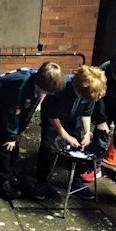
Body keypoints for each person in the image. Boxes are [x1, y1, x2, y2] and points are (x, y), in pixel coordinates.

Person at [0, 62, 65, 200]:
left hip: (10, 114)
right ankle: (2, 183)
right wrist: (10, 136)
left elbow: (25, 111)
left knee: (13, 146)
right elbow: (11, 114)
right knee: (4, 146)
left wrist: (17, 133)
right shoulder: (20, 86)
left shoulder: (35, 85)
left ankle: (10, 173)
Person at [33, 65, 107, 200]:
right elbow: (52, 115)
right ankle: (41, 181)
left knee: (78, 148)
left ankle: (75, 180)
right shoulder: (61, 87)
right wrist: (64, 135)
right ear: (78, 88)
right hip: (53, 118)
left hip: (74, 118)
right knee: (47, 147)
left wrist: (86, 132)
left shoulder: (91, 91)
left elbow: (86, 112)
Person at [81, 47, 116, 189]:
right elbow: (98, 98)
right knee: (100, 138)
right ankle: (95, 167)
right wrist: (101, 120)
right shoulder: (103, 71)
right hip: (105, 105)